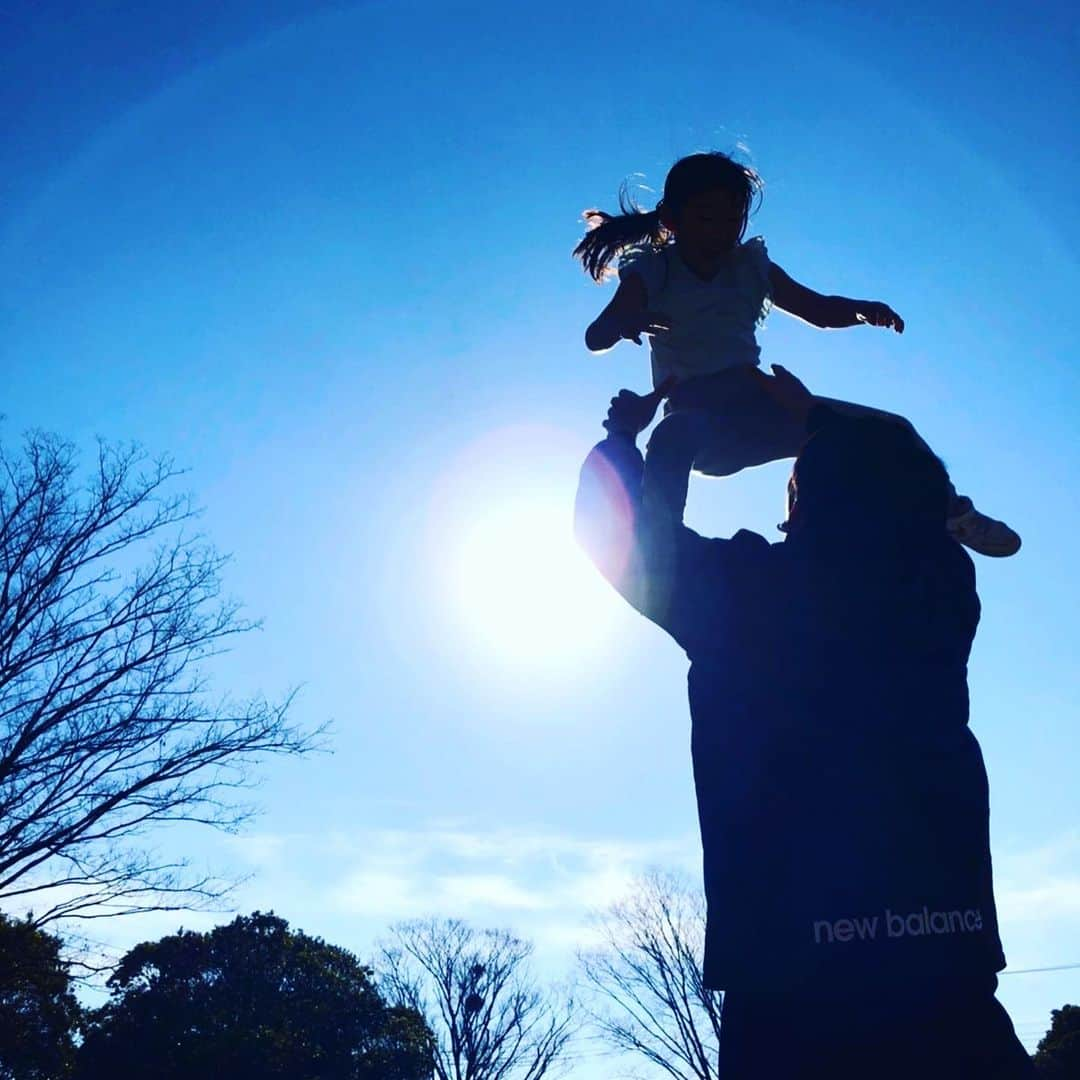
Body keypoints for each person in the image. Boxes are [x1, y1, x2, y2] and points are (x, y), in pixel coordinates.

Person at [573, 367, 1034, 1078]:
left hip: (791, 992)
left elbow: (622, 540)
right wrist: (812, 413)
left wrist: (651, 440)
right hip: (950, 970)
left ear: (804, 510)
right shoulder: (944, 587)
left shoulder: (748, 597)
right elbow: (905, 463)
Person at [573, 151, 1020, 557]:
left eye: (732, 220)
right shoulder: (655, 269)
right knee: (671, 438)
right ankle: (656, 543)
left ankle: (950, 511)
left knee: (890, 432)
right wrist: (623, 324)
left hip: (759, 405)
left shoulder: (750, 267)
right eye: (706, 218)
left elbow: (817, 309)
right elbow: (597, 336)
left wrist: (862, 311)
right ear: (672, 219)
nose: (720, 232)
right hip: (699, 417)